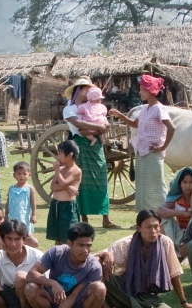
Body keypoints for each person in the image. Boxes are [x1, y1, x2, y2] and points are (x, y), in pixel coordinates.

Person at [98, 210, 192, 308]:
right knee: (99, 265)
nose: (153, 232)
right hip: (123, 288)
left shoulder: (165, 243)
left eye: (156, 227)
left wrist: (184, 303)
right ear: (139, 228)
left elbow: (174, 273)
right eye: (148, 227)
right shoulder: (125, 244)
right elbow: (92, 259)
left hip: (145, 294)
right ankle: (106, 307)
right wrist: (105, 254)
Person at [24, 222, 106, 308]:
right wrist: (52, 283)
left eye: (89, 245)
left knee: (100, 288)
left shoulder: (93, 267)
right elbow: (31, 274)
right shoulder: (56, 253)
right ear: (69, 243)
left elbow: (73, 297)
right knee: (30, 287)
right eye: (80, 245)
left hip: (76, 307)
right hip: (52, 302)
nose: (85, 250)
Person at [110, 74, 175, 212]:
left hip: (152, 152)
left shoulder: (159, 108)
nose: (140, 92)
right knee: (142, 186)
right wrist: (119, 115)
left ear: (151, 91)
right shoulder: (145, 109)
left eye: (142, 90)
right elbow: (134, 124)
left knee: (155, 185)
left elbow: (171, 127)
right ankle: (144, 217)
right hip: (142, 150)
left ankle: (160, 215)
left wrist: (163, 146)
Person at [63, 77, 116, 228]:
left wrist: (102, 126)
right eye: (85, 88)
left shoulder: (95, 106)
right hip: (80, 144)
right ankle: (83, 218)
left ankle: (106, 218)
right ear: (79, 90)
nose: (88, 91)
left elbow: (103, 121)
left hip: (96, 146)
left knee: (101, 178)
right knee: (82, 181)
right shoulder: (70, 109)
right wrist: (98, 128)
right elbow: (78, 124)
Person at [158, 167, 192, 247]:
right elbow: (160, 211)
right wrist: (183, 213)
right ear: (180, 184)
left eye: (191, 182)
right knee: (164, 218)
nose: (188, 186)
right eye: (184, 182)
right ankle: (169, 247)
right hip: (179, 233)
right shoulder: (176, 199)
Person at [47, 139, 82, 245]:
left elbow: (62, 183)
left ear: (69, 155)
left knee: (68, 236)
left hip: (68, 207)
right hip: (56, 204)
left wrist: (57, 171)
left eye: (60, 153)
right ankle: (57, 258)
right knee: (57, 237)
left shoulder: (76, 171)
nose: (58, 156)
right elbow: (52, 186)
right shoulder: (61, 169)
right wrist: (68, 188)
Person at [6, 161, 36, 234]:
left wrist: (33, 215)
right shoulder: (11, 188)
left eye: (24, 174)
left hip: (24, 216)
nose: (22, 176)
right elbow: (8, 202)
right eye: (19, 174)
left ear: (29, 175)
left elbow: (33, 203)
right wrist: (6, 215)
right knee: (12, 232)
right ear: (14, 175)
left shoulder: (29, 188)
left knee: (24, 233)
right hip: (12, 216)